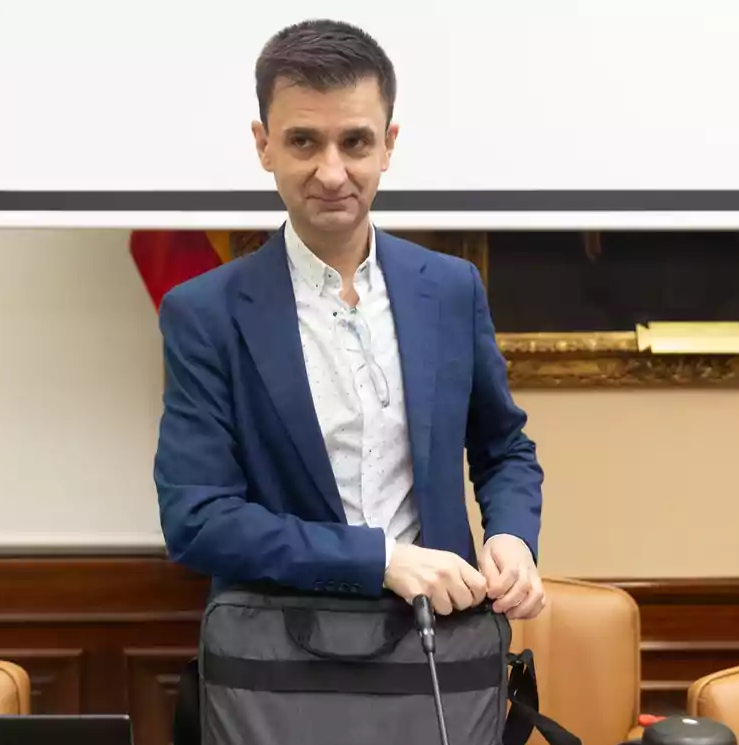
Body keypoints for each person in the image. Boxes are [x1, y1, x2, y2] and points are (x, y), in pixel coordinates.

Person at [153, 18, 546, 620]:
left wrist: (512, 536)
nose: (332, 173)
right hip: (281, 649)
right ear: (264, 145)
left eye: (356, 142)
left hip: (442, 639)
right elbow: (197, 518)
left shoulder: (450, 288)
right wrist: (378, 560)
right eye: (303, 142)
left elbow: (504, 448)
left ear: (388, 144)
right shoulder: (204, 313)